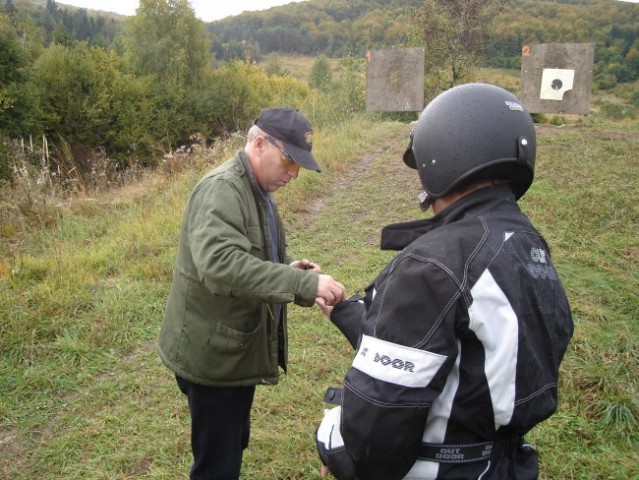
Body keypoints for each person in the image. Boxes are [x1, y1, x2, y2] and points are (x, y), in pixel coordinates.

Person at [315, 83, 574, 480]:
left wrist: (331, 440)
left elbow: (375, 440)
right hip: (504, 464)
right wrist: (346, 311)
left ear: (444, 158)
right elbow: (461, 353)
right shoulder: (527, 247)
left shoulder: (434, 262)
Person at [158, 107, 346, 480]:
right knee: (217, 465)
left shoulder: (257, 188)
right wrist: (301, 285)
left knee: (231, 442)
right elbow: (221, 266)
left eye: (299, 165)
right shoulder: (222, 189)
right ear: (259, 144)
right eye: (290, 161)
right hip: (213, 357)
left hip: (232, 351)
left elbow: (253, 254)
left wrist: (288, 268)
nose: (294, 174)